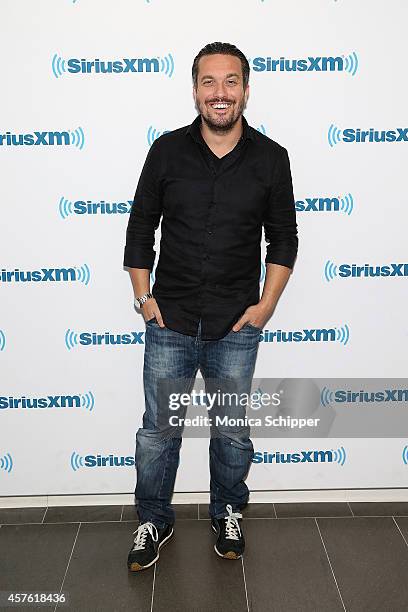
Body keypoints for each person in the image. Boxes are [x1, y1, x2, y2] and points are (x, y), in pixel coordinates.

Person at [124, 41, 298, 571]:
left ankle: (228, 512)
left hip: (236, 326)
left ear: (246, 89)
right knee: (159, 433)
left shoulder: (272, 158)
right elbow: (140, 227)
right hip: (169, 320)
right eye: (209, 82)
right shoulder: (167, 152)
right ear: (195, 89)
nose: (220, 94)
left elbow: (284, 239)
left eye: (230, 82)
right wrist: (143, 297)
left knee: (230, 431)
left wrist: (266, 306)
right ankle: (154, 520)